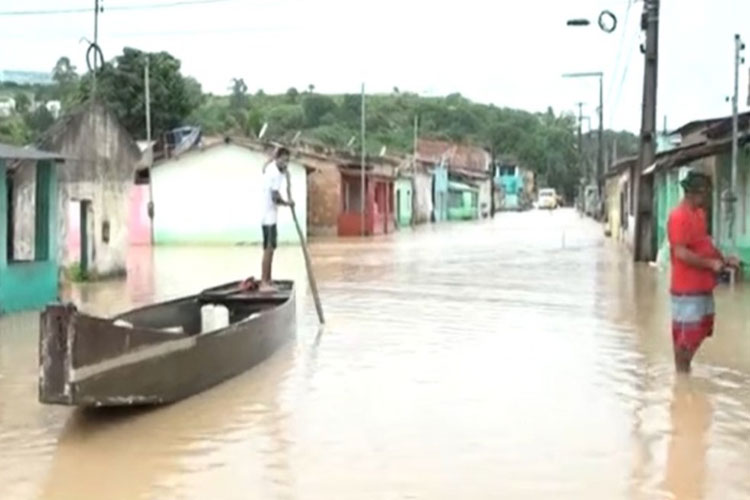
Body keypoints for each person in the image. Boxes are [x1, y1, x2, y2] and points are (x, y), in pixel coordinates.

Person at [667, 171, 739, 372]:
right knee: (686, 336)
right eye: (705, 193)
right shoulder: (678, 216)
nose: (708, 198)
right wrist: (710, 264)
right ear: (694, 194)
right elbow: (680, 252)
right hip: (686, 289)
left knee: (701, 329)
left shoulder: (699, 214)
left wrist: (724, 260)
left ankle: (683, 372)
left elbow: (704, 244)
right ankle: (681, 375)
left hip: (702, 285)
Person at [259, 147, 294, 292]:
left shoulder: (278, 171)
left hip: (270, 215)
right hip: (268, 216)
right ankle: (264, 282)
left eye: (288, 161)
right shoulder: (273, 172)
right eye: (284, 160)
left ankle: (268, 280)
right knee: (269, 248)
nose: (286, 163)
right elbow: (274, 198)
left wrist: (286, 175)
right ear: (278, 158)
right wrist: (287, 203)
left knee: (271, 248)